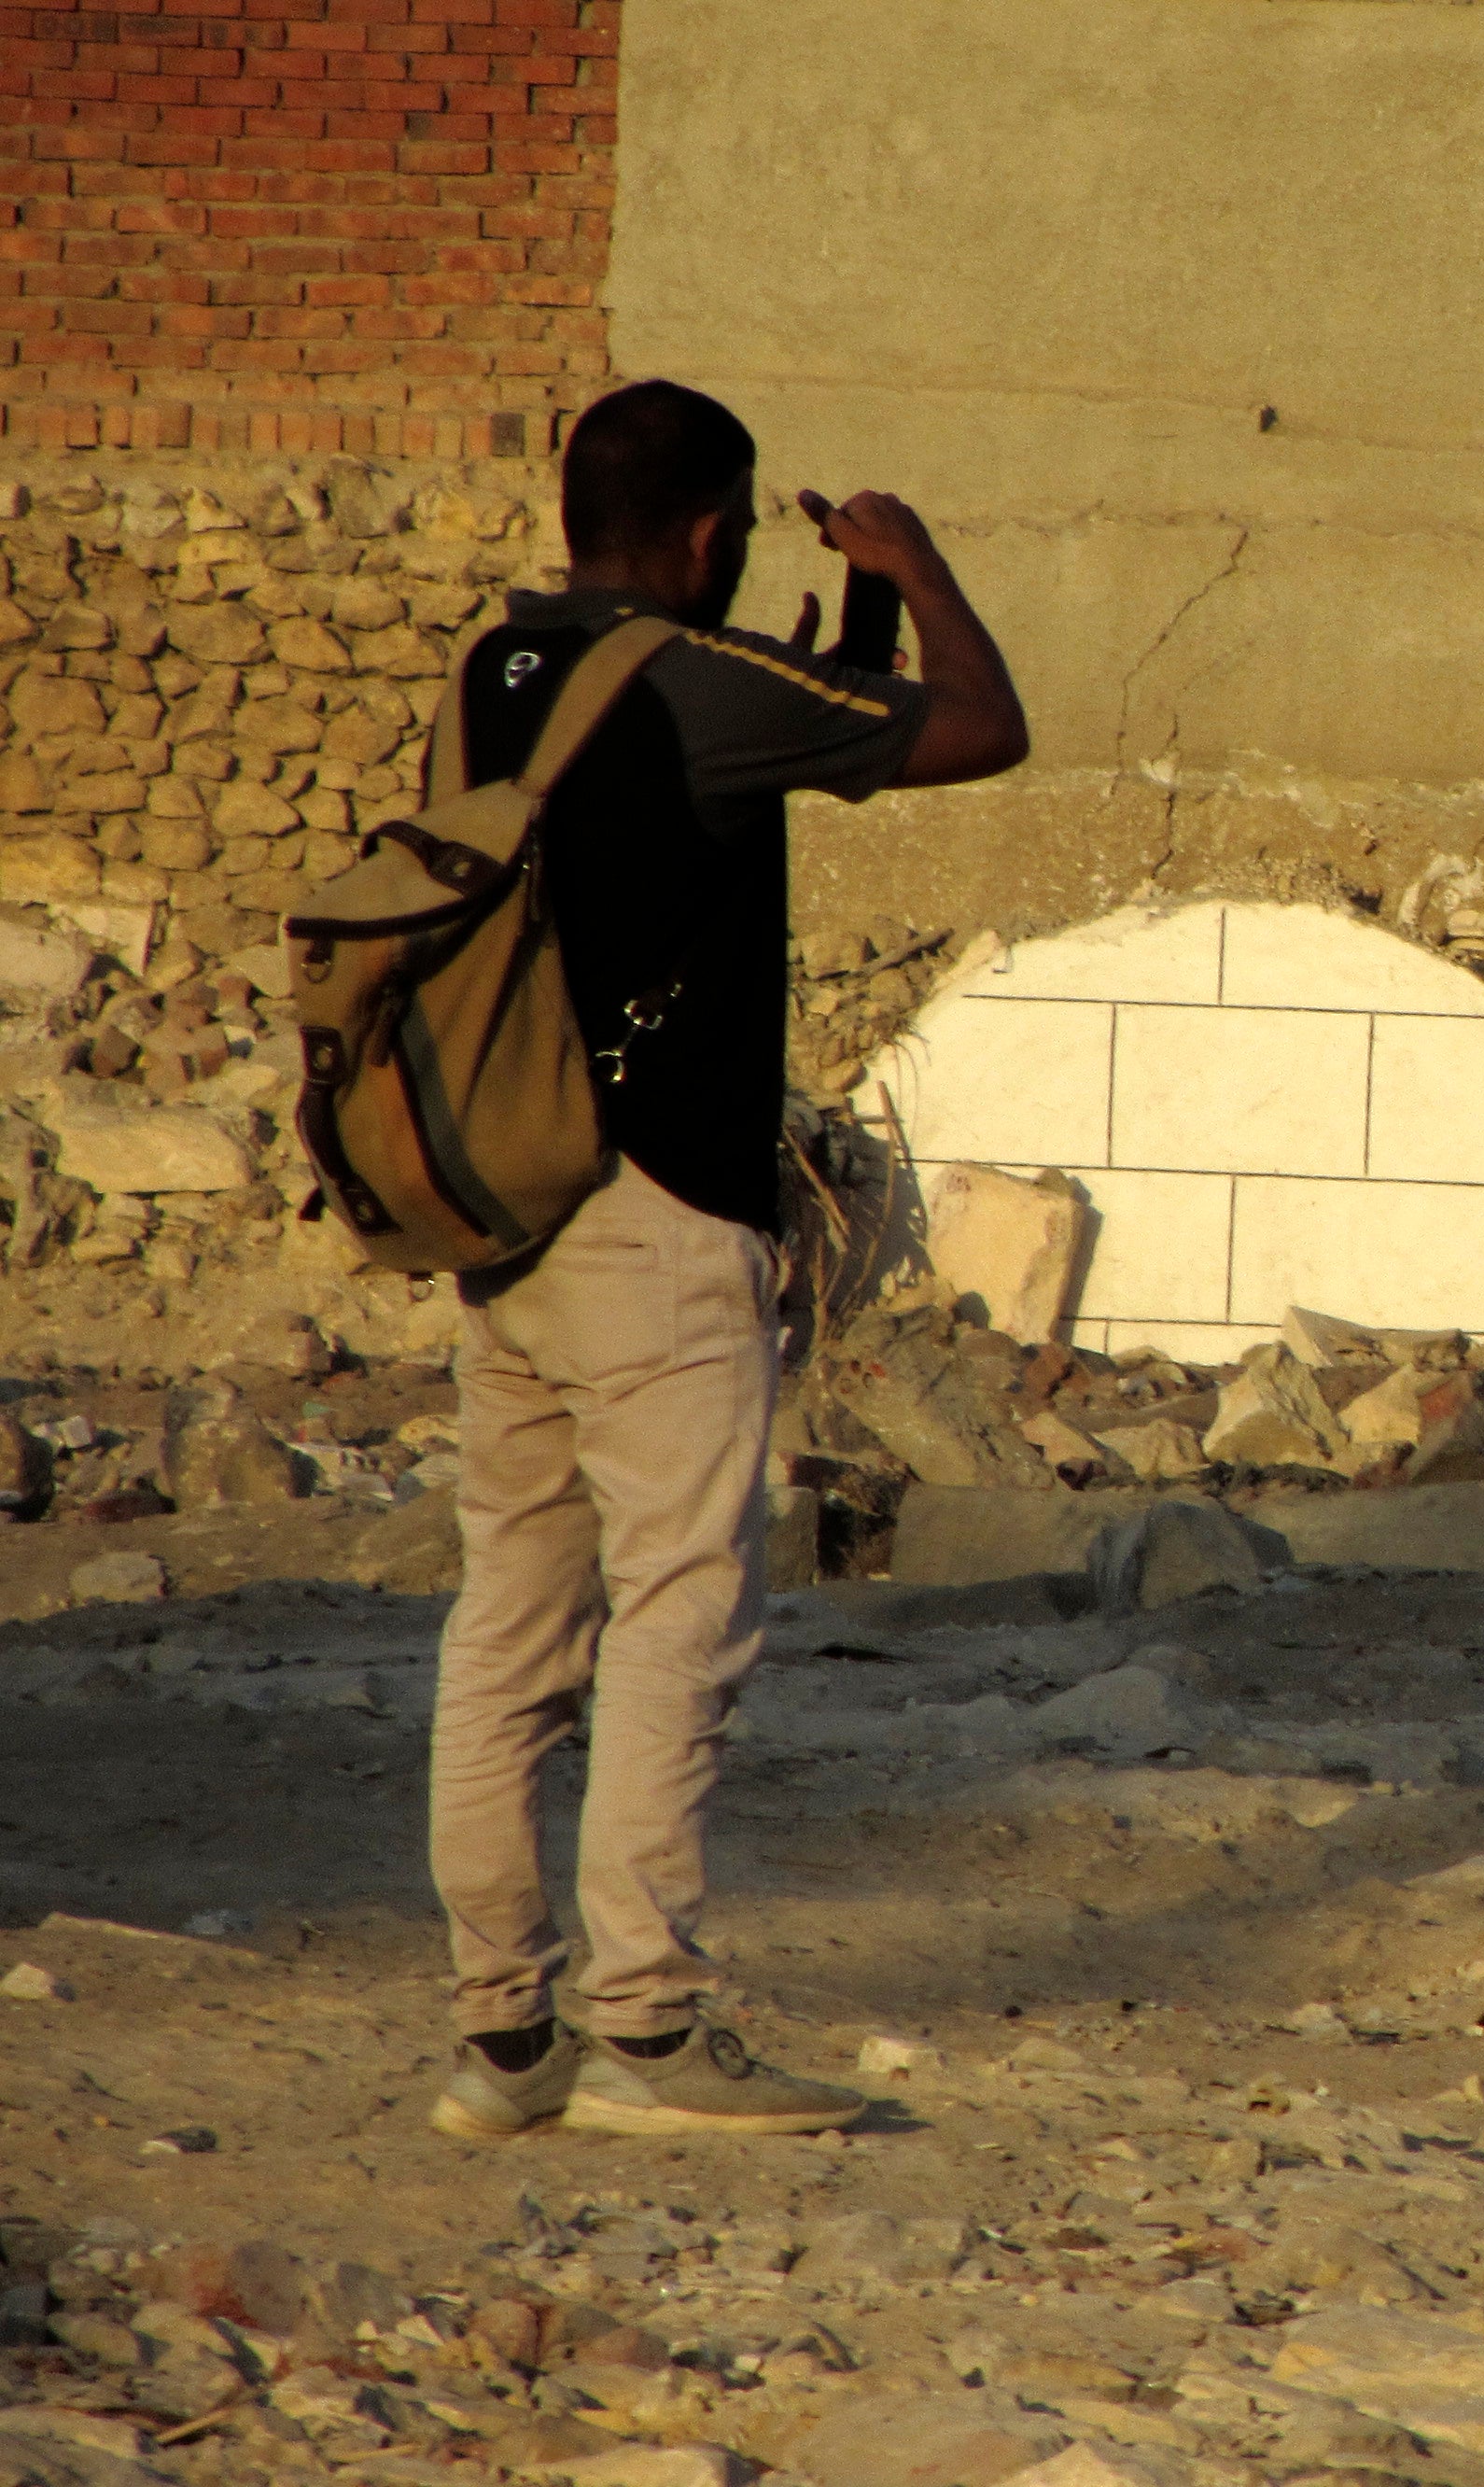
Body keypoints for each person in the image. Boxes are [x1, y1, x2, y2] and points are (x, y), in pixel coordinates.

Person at [426, 379, 1028, 2140]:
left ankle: (501, 2041)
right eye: (748, 528)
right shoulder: (696, 682)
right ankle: (653, 2034)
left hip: (508, 1201)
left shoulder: (500, 675)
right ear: (706, 531)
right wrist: (910, 569)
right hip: (657, 1225)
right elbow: (982, 728)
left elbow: (669, 833)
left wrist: (821, 651)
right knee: (681, 1615)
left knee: (510, 1625)